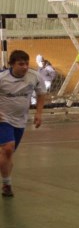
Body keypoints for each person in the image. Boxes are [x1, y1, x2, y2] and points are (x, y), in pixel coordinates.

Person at [0, 50, 45, 197]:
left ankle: (6, 182)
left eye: (26, 63)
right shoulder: (2, 78)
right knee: (8, 148)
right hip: (3, 119)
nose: (25, 67)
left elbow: (41, 94)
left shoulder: (35, 76)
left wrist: (38, 113)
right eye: (21, 64)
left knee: (8, 154)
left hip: (20, 120)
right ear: (12, 64)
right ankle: (7, 184)